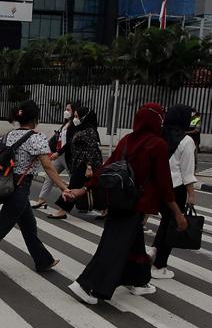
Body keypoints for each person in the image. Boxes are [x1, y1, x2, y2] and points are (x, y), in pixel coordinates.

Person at [64, 103, 189, 305]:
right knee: (114, 246)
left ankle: (138, 281)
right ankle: (88, 286)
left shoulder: (127, 140)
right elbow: (164, 184)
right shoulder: (157, 145)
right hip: (136, 204)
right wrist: (178, 213)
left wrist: (84, 188)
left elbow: (106, 167)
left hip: (117, 199)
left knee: (133, 242)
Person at [0, 100, 67, 278]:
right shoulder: (37, 137)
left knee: (29, 226)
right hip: (20, 188)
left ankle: (43, 260)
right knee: (1, 227)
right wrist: (63, 187)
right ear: (35, 119)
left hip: (7, 185)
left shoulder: (6, 136)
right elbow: (48, 166)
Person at [150, 104, 197, 280]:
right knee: (172, 226)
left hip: (156, 186)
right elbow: (187, 172)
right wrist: (191, 195)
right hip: (175, 189)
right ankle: (159, 265)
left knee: (165, 223)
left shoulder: (158, 136)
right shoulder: (186, 141)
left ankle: (154, 251)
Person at [47, 105, 103, 220]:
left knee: (74, 184)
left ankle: (62, 210)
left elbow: (91, 149)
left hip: (86, 164)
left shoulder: (90, 131)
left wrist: (89, 166)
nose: (75, 119)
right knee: (96, 187)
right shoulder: (81, 128)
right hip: (79, 162)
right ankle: (106, 208)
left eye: (77, 116)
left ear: (84, 117)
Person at [33, 102, 74, 210]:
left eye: (68, 109)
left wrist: (58, 152)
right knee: (50, 176)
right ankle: (42, 199)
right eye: (66, 109)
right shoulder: (65, 124)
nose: (66, 111)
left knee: (75, 181)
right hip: (59, 155)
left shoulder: (74, 125)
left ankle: (89, 202)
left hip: (68, 156)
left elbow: (70, 143)